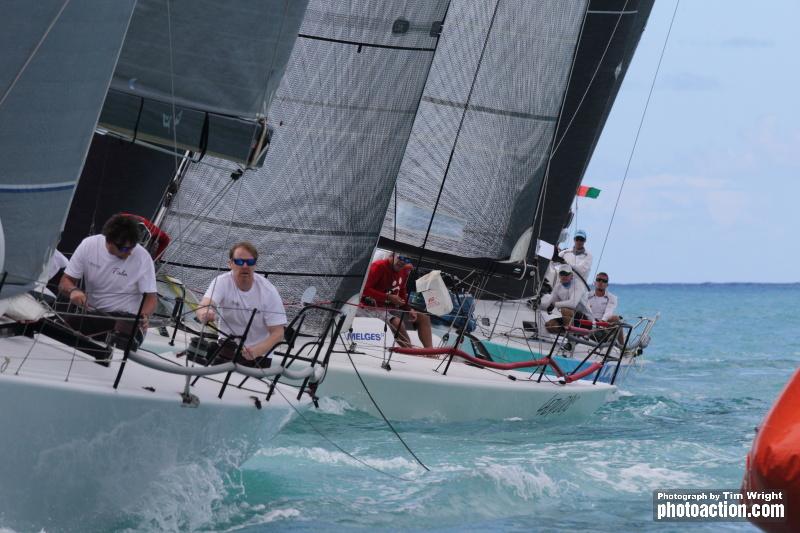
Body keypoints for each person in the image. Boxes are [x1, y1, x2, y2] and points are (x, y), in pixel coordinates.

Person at [59, 214, 157, 331]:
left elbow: (151, 298)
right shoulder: (89, 245)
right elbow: (65, 282)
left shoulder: (143, 258)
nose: (130, 253)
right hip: (92, 314)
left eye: (133, 247)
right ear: (109, 241)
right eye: (126, 249)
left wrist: (143, 316)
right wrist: (73, 291)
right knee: (61, 327)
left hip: (124, 320)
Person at [196, 242, 287, 362]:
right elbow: (204, 305)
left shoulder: (268, 291)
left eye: (250, 262)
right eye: (239, 262)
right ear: (230, 264)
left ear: (255, 265)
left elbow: (278, 333)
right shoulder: (222, 282)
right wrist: (204, 313)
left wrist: (256, 351)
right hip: (225, 349)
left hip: (257, 357)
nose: (245, 266)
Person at [361, 253, 433, 349]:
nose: (403, 261)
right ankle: (409, 351)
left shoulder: (403, 270)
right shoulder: (379, 266)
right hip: (371, 307)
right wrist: (388, 297)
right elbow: (364, 289)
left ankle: (429, 352)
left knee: (424, 318)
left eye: (407, 260)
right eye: (401, 257)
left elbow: (402, 292)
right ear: (392, 255)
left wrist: (409, 309)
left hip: (390, 307)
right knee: (397, 322)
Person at [539, 263, 590, 334]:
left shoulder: (578, 284)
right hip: (570, 318)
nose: (564, 276)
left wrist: (555, 304)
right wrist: (538, 303)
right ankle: (568, 334)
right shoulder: (558, 287)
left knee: (565, 310)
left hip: (585, 320)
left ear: (571, 276)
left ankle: (571, 337)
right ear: (559, 276)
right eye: (562, 274)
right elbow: (548, 303)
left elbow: (572, 304)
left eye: (566, 274)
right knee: (549, 325)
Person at [587, 271, 624, 343]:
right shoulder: (586, 295)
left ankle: (622, 348)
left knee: (616, 319)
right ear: (595, 283)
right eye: (598, 280)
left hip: (603, 325)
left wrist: (602, 322)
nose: (601, 282)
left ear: (607, 285)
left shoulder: (612, 298)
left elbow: (609, 311)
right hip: (589, 322)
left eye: (604, 281)